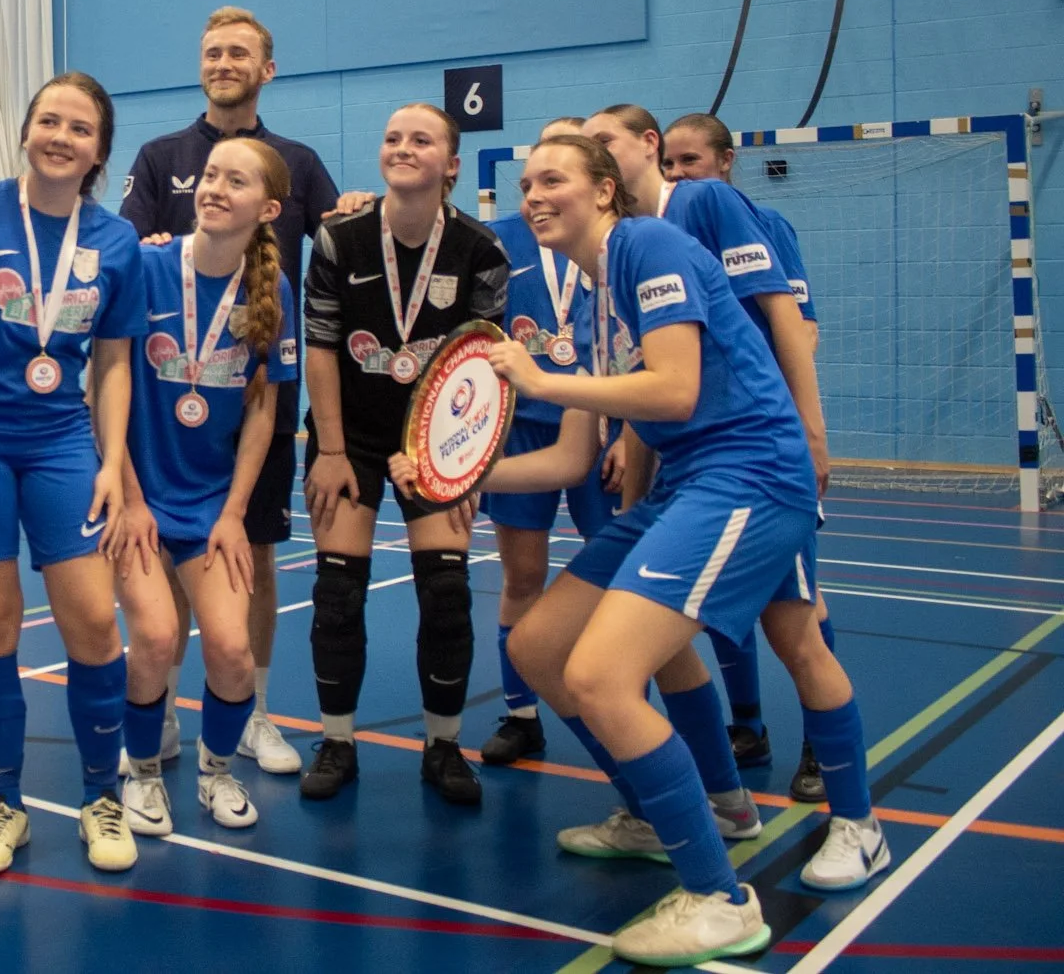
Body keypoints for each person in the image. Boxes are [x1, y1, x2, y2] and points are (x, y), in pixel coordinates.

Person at [434, 134, 885, 966]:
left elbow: (675, 389)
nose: (534, 195)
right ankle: (660, 813)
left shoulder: (650, 243)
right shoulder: (592, 300)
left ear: (605, 190)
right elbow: (571, 458)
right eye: (526, 183)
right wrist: (454, 476)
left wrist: (540, 379)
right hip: (685, 484)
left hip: (750, 474)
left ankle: (721, 897)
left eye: (554, 178)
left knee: (605, 674)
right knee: (538, 647)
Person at [118, 8, 341, 776]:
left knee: (252, 555)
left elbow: (340, 244)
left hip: (251, 390)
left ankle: (254, 713)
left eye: (238, 52)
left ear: (266, 69)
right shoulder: (161, 157)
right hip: (164, 398)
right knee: (167, 568)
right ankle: (163, 709)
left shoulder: (299, 161)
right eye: (211, 50)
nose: (222, 62)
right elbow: (128, 247)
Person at [0, 73, 151, 874]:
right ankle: (4, 800)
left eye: (80, 128)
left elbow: (114, 362)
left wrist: (113, 463)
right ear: (25, 131)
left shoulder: (117, 240)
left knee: (95, 622)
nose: (62, 136)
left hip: (63, 441)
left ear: (99, 150)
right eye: (49, 121)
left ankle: (102, 794)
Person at [300, 103, 508, 805]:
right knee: (337, 593)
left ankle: (443, 746)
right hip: (350, 437)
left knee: (446, 593)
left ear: (452, 164)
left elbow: (483, 364)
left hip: (436, 442)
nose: (403, 147)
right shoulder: (340, 239)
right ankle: (336, 741)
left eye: (422, 139)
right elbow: (321, 347)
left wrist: (461, 464)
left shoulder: (481, 250)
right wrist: (331, 450)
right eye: (392, 137)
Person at [115, 138, 301, 836]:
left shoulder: (274, 291)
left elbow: (262, 413)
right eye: (211, 175)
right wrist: (130, 500)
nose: (216, 187)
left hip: (208, 504)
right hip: (138, 495)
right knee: (156, 636)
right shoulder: (145, 266)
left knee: (230, 650)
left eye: (237, 181)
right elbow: (105, 388)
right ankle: (142, 773)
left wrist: (233, 514)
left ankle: (216, 771)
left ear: (268, 209)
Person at [661, 111, 835, 803]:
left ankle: (823, 747)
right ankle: (748, 726)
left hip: (765, 442)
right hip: (701, 446)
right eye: (670, 162)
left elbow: (800, 326)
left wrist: (805, 429)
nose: (679, 174)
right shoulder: (661, 233)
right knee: (722, 593)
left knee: (794, 599)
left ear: (726, 161)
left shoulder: (763, 224)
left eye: (691, 160)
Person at [475, 117, 618, 767]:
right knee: (523, 574)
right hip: (524, 426)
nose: (539, 191)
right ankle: (521, 713)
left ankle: (626, 704)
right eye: (532, 174)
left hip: (604, 423)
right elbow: (477, 337)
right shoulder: (501, 239)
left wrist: (629, 434)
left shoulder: (619, 243)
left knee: (619, 574)